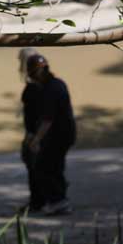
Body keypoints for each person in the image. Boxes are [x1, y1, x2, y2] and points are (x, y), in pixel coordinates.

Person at [25, 54, 76, 215]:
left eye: (34, 73)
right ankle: (57, 200)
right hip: (65, 134)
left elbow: (47, 119)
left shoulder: (50, 89)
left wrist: (36, 139)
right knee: (55, 166)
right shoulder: (57, 84)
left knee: (44, 166)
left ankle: (58, 201)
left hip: (58, 135)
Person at [18, 48, 43, 211]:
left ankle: (38, 201)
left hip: (36, 134)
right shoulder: (37, 86)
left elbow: (40, 115)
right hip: (34, 133)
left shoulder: (34, 88)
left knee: (35, 167)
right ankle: (38, 200)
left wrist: (34, 137)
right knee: (34, 166)